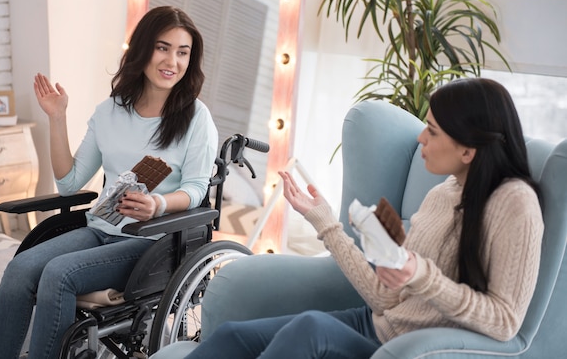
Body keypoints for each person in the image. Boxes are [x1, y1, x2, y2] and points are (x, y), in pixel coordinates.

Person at [182, 77, 544, 359]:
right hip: (377, 327)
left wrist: (422, 275)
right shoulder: (442, 194)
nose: (421, 138)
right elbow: (384, 300)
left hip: (412, 350)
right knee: (232, 336)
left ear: (469, 149)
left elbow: (505, 322)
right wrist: (323, 221)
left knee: (310, 328)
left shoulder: (515, 204)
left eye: (432, 131)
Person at [0, 6, 219, 359]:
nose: (172, 60)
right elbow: (70, 183)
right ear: (143, 49)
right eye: (162, 47)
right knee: (19, 269)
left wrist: (157, 205)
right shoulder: (110, 111)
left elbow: (196, 190)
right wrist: (58, 119)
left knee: (58, 274)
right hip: (100, 228)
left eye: (182, 52)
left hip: (152, 242)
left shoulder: (196, 118)